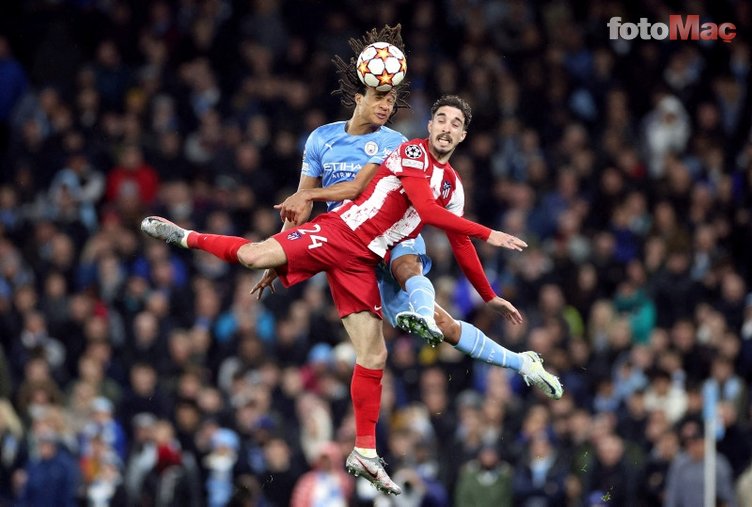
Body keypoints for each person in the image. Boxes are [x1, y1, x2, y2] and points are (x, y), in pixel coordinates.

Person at [141, 95, 562, 495]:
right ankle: (185, 235)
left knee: (377, 354)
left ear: (464, 136)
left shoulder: (453, 185)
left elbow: (459, 242)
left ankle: (368, 449)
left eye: (457, 124)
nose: (447, 129)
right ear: (430, 125)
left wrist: (488, 295)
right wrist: (492, 233)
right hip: (341, 233)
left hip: (365, 260)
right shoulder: (411, 152)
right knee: (253, 256)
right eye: (442, 120)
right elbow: (422, 211)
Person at [256, 24, 562, 400]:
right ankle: (521, 361)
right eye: (381, 95)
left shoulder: (400, 145)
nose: (387, 104)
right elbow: (300, 204)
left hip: (396, 236)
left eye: (393, 98)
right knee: (445, 329)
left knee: (407, 268)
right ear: (360, 93)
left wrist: (486, 291)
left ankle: (423, 317)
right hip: (350, 240)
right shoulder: (323, 138)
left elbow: (440, 224)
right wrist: (282, 252)